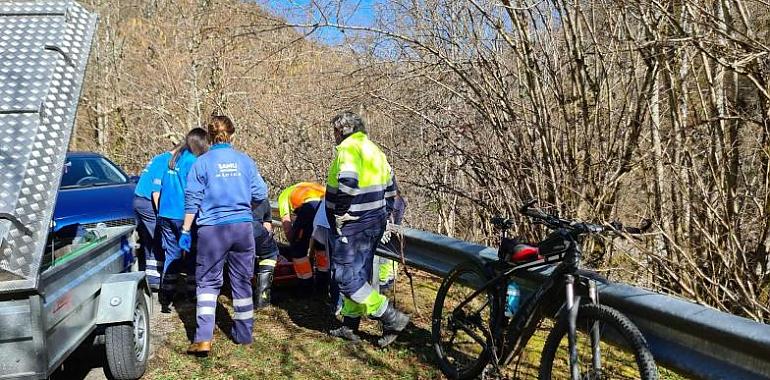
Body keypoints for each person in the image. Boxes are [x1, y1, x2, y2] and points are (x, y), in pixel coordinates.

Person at [183, 115, 268, 356]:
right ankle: (244, 334)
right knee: (241, 281)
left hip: (212, 230)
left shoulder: (202, 163)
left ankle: (203, 339)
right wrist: (243, 209)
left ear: (209, 137)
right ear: (232, 135)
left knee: (208, 282)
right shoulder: (244, 161)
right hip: (242, 228)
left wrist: (185, 230)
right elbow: (260, 193)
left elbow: (192, 200)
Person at [325, 111, 409, 347]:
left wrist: (341, 214)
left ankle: (391, 317)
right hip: (374, 221)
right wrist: (386, 215)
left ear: (342, 130)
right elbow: (392, 189)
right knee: (358, 272)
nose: (333, 136)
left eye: (334, 132)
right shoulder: (375, 150)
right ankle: (350, 325)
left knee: (344, 276)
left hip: (354, 223)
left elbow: (348, 181)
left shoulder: (349, 148)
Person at [157, 128, 209, 312]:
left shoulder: (175, 158)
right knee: (194, 253)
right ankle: (192, 292)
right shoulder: (193, 162)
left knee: (172, 254)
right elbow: (196, 191)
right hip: (182, 214)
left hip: (165, 213)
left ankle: (166, 295)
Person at [133, 148, 174, 290]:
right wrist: (160, 213)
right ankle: (156, 280)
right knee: (159, 237)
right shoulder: (168, 161)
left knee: (149, 239)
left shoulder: (160, 157)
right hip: (147, 201)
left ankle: (151, 276)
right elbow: (156, 191)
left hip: (139, 199)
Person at [277, 182, 328, 294]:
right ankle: (323, 284)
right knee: (322, 246)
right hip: (327, 206)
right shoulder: (312, 186)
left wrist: (294, 242)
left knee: (298, 252)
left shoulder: (284, 195)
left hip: (309, 208)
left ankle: (305, 286)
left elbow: (286, 223)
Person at [377, 190, 407, 291]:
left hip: (386, 235)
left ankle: (384, 282)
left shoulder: (390, 201)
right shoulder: (400, 201)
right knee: (389, 261)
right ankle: (388, 280)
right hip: (394, 235)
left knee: (384, 262)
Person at [252, 197, 279, 309]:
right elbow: (267, 225)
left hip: (227, 231)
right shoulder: (261, 198)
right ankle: (262, 299)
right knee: (269, 255)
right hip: (255, 230)